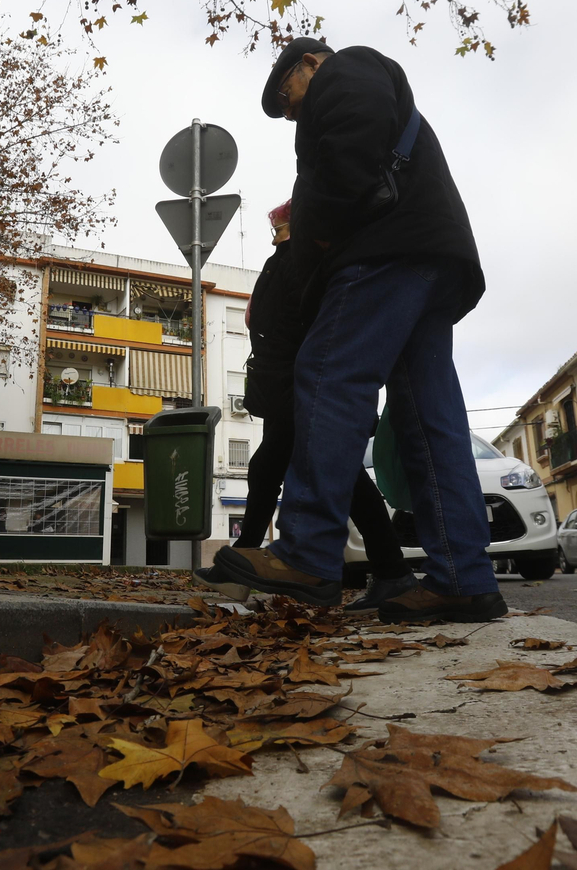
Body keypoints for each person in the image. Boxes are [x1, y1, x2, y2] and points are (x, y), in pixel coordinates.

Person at [211, 38, 506, 624]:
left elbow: (347, 157)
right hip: (428, 255)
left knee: (329, 374)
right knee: (429, 416)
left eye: (286, 94)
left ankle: (307, 550)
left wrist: (317, 236)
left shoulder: (348, 68)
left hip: (384, 253)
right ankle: (462, 577)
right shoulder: (366, 84)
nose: (289, 110)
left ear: (311, 63)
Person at [191, 201, 418, 612]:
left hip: (307, 388)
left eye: (280, 226)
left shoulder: (306, 262)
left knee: (276, 469)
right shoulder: (294, 262)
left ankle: (256, 560)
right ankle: (392, 573)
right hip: (294, 388)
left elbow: (305, 324)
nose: (277, 231)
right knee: (333, 476)